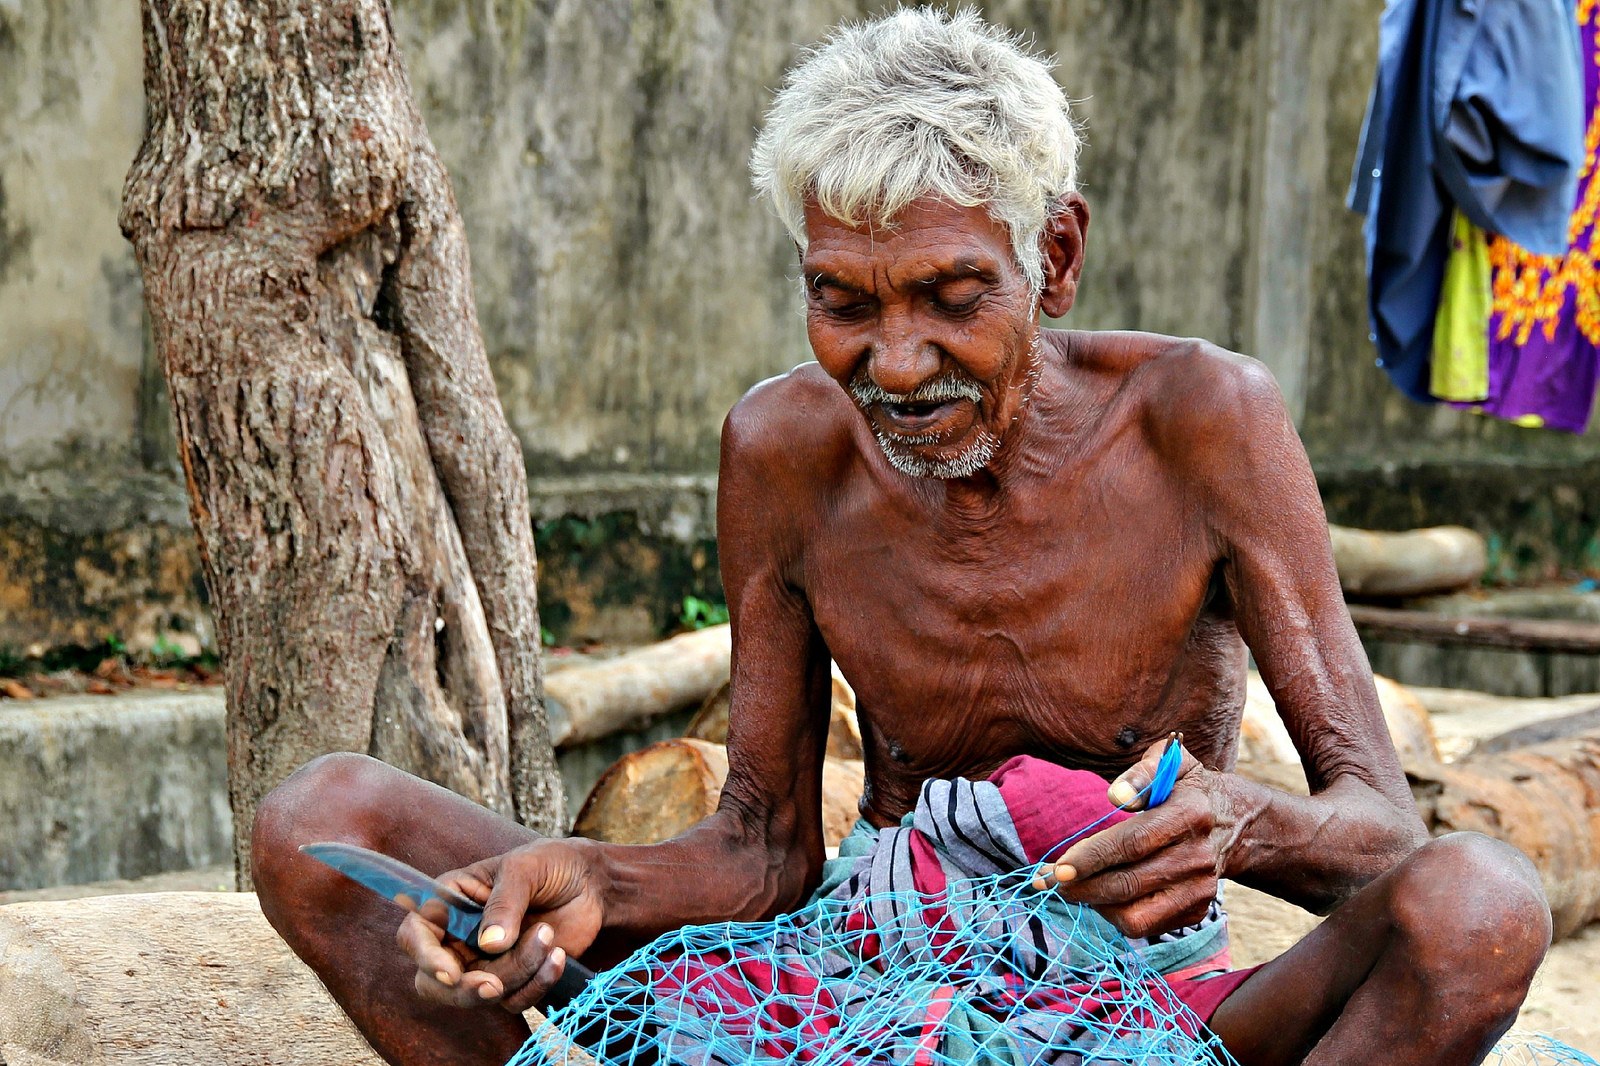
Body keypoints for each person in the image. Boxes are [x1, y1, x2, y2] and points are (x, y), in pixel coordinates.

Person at [252, 10, 1551, 1066]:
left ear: (1056, 249)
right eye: (842, 301)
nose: (897, 360)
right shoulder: (781, 449)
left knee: (1483, 905)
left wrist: (1238, 824)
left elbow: (1384, 830)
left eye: (952, 293)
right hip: (854, 973)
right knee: (324, 822)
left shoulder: (1204, 421)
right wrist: (589, 873)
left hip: (1152, 1007)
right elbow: (763, 843)